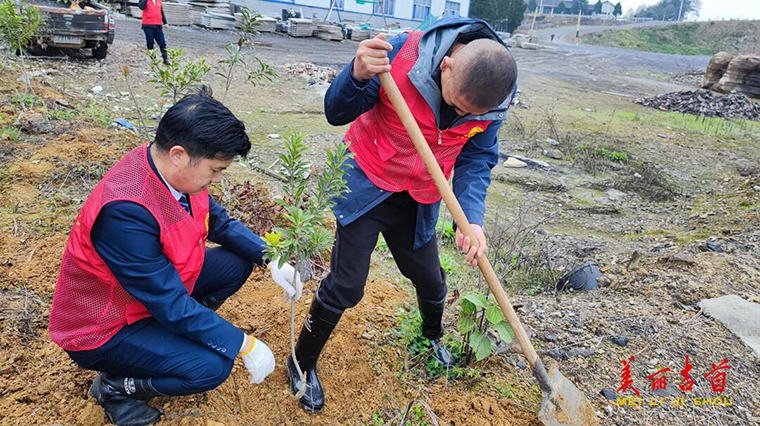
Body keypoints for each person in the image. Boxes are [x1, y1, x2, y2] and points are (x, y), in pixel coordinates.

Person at [287, 16, 518, 412]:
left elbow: (477, 158)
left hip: (422, 194)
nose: (459, 116)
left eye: (469, 113)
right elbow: (335, 111)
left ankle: (431, 339)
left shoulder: (493, 93)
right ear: (446, 63)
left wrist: (472, 218)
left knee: (431, 280)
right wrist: (357, 74)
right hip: (368, 186)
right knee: (347, 286)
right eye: (454, 104)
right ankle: (301, 362)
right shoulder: (399, 53)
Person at [49, 88, 303, 426]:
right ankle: (116, 388)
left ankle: (169, 342)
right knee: (211, 367)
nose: (218, 178)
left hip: (147, 299)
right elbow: (169, 304)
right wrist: (244, 343)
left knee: (236, 262)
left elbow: (219, 223)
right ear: (179, 154)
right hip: (104, 326)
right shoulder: (125, 211)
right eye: (215, 170)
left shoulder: (172, 174)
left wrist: (270, 258)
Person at [138, 0, 170, 64]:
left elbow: (161, 11)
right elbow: (141, 7)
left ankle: (165, 59)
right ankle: (153, 59)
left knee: (162, 43)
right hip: (147, 25)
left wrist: (165, 22)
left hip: (158, 25)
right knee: (150, 43)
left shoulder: (159, 1)